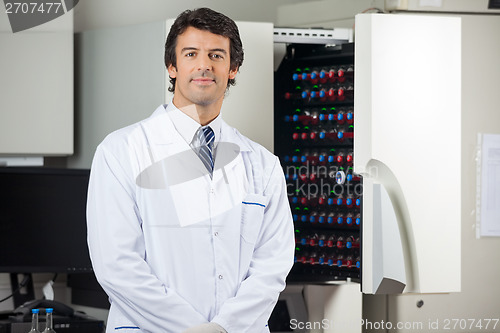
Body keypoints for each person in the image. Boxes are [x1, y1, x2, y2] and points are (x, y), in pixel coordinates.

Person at [86, 7, 295, 333]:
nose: (204, 65)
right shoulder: (121, 151)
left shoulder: (262, 163)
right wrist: (193, 329)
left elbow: (272, 264)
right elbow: (117, 265)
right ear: (172, 66)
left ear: (233, 69)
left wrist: (224, 327)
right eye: (191, 54)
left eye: (216, 55)